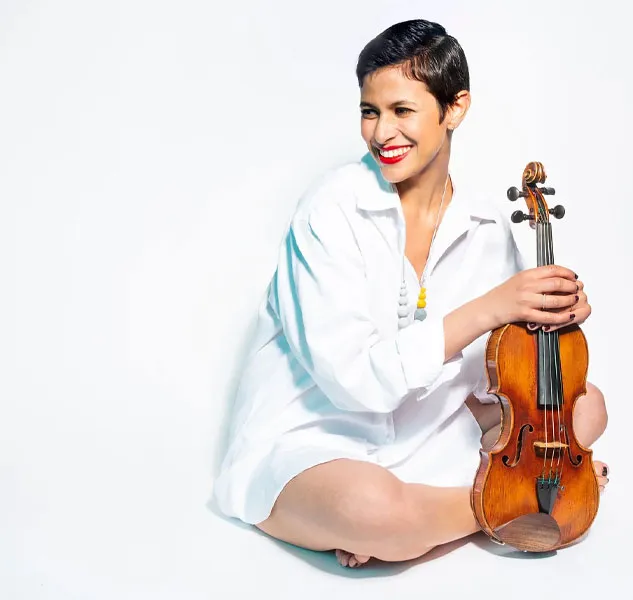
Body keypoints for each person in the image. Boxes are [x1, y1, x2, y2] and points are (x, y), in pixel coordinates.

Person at [213, 19, 609, 568]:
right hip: (318, 441)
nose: (380, 133)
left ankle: (424, 521)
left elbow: (501, 374)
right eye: (369, 112)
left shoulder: (490, 222)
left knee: (584, 408)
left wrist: (553, 318)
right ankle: (500, 506)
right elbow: (355, 384)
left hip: (427, 438)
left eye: (402, 111)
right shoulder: (332, 209)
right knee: (370, 507)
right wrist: (491, 307)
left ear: (455, 109)